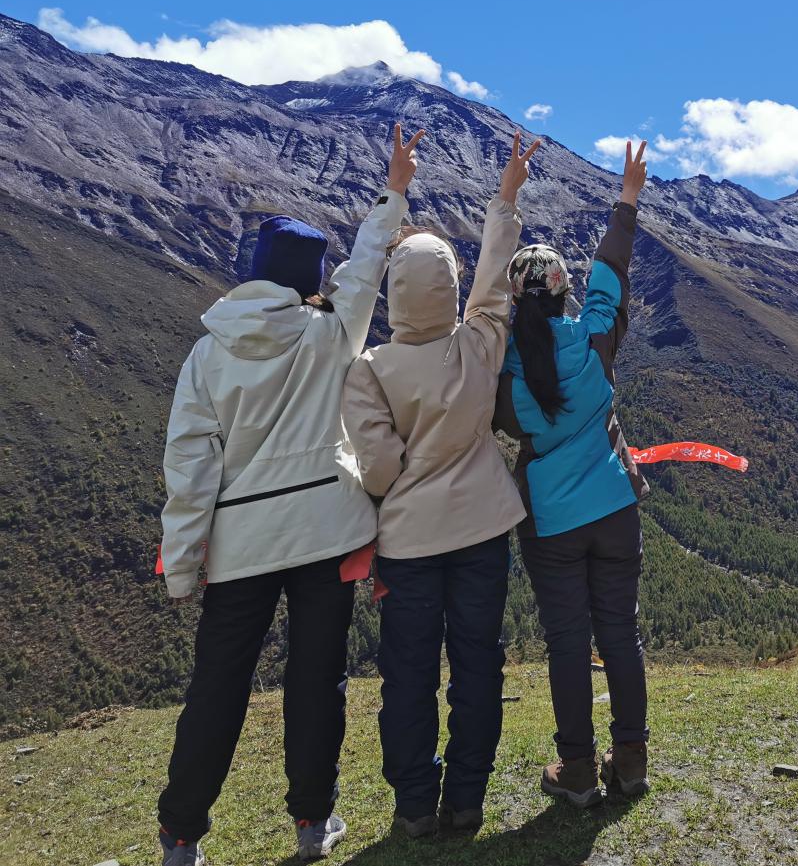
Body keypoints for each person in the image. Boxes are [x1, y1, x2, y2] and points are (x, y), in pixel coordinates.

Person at [155, 123, 425, 865]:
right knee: (317, 682)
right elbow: (367, 268)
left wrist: (183, 563)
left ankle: (182, 835)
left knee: (217, 689)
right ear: (308, 277)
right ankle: (313, 821)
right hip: (326, 534)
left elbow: (189, 467)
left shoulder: (206, 356)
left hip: (239, 548)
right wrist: (394, 190)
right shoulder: (328, 334)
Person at [340, 132, 539, 838]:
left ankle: (414, 805)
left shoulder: (370, 369)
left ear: (396, 295)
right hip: (484, 530)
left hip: (409, 544)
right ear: (449, 291)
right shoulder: (479, 340)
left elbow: (381, 469)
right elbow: (493, 280)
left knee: (409, 674)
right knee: (477, 664)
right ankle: (467, 799)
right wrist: (506, 194)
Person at [493, 141, 651, 808]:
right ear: (565, 293)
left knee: (567, 642)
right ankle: (633, 760)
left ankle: (579, 770)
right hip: (614, 507)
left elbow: (503, 419)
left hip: (552, 523)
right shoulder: (593, 342)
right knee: (620, 631)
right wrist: (626, 202)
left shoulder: (503, 372)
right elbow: (613, 272)